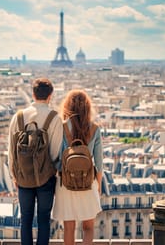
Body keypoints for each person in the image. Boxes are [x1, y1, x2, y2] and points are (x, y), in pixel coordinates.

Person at [8, 77, 63, 245]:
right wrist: (50, 170)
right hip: (46, 178)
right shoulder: (54, 118)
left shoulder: (18, 117)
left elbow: (11, 151)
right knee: (44, 220)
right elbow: (55, 152)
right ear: (50, 95)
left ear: (32, 94)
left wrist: (14, 175)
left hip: (23, 176)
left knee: (25, 219)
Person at [52, 89, 103, 245]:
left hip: (65, 182)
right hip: (88, 183)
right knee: (88, 227)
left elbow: (55, 158)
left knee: (69, 227)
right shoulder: (94, 128)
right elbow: (99, 163)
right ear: (87, 107)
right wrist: (98, 185)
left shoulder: (60, 127)